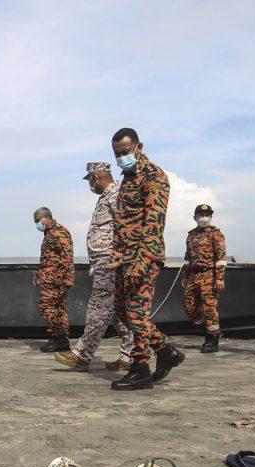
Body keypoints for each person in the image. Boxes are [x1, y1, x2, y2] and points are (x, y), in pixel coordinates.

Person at [108, 127, 185, 390]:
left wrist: (141, 261)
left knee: (136, 313)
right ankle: (161, 354)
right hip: (123, 258)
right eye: (117, 153)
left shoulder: (154, 176)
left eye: (126, 152)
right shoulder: (127, 179)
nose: (121, 157)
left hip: (143, 257)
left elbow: (154, 221)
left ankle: (143, 366)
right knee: (123, 312)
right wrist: (117, 256)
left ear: (139, 147)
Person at [54, 162, 134, 372]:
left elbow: (124, 226)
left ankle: (82, 355)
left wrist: (118, 257)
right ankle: (129, 356)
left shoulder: (115, 193)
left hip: (109, 261)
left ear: (95, 177)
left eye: (89, 179)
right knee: (117, 311)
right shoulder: (105, 197)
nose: (90, 184)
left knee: (98, 307)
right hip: (102, 261)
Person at [182, 204, 227, 353]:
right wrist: (185, 275)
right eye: (201, 215)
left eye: (207, 215)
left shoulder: (216, 233)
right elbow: (188, 258)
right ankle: (209, 327)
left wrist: (219, 278)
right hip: (194, 275)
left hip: (209, 274)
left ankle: (212, 339)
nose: (204, 217)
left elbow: (221, 258)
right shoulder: (191, 234)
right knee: (189, 305)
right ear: (195, 217)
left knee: (209, 307)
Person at [32, 207, 74, 352]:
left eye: (38, 220)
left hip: (56, 279)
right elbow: (47, 258)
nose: (37, 223)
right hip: (49, 277)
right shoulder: (48, 233)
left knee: (46, 307)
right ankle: (62, 340)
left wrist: (59, 277)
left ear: (47, 217)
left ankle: (58, 338)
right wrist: (39, 274)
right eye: (35, 221)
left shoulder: (59, 231)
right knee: (59, 309)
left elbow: (66, 256)